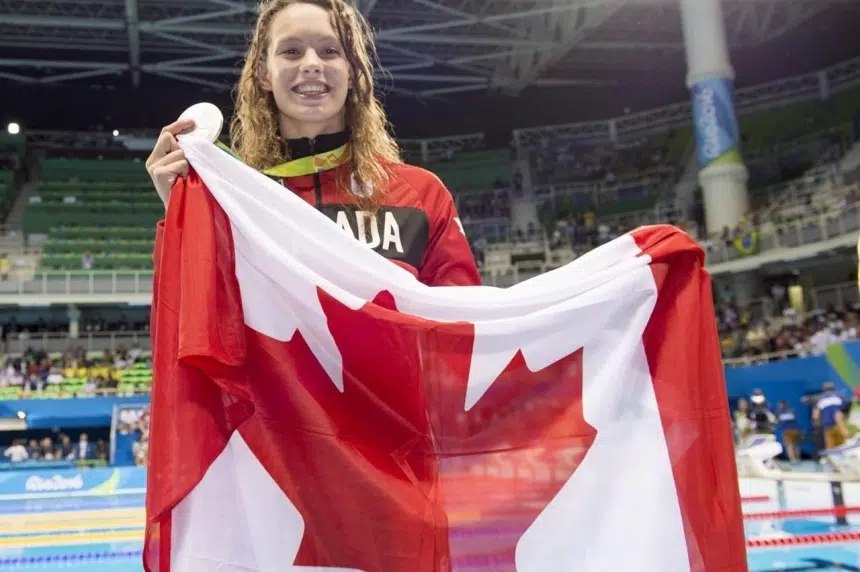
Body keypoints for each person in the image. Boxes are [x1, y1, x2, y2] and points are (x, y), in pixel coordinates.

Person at [145, 0, 480, 287]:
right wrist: (180, 213)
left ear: (352, 72)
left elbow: (466, 327)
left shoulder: (420, 195)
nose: (311, 64)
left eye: (329, 51)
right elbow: (196, 319)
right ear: (264, 74)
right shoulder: (235, 201)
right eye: (291, 51)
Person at [812, 381, 848, 450]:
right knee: (843, 447)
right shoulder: (840, 396)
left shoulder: (820, 399)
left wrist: (816, 425)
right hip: (840, 425)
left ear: (824, 389)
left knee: (831, 448)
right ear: (834, 388)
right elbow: (845, 410)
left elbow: (815, 415)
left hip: (827, 426)